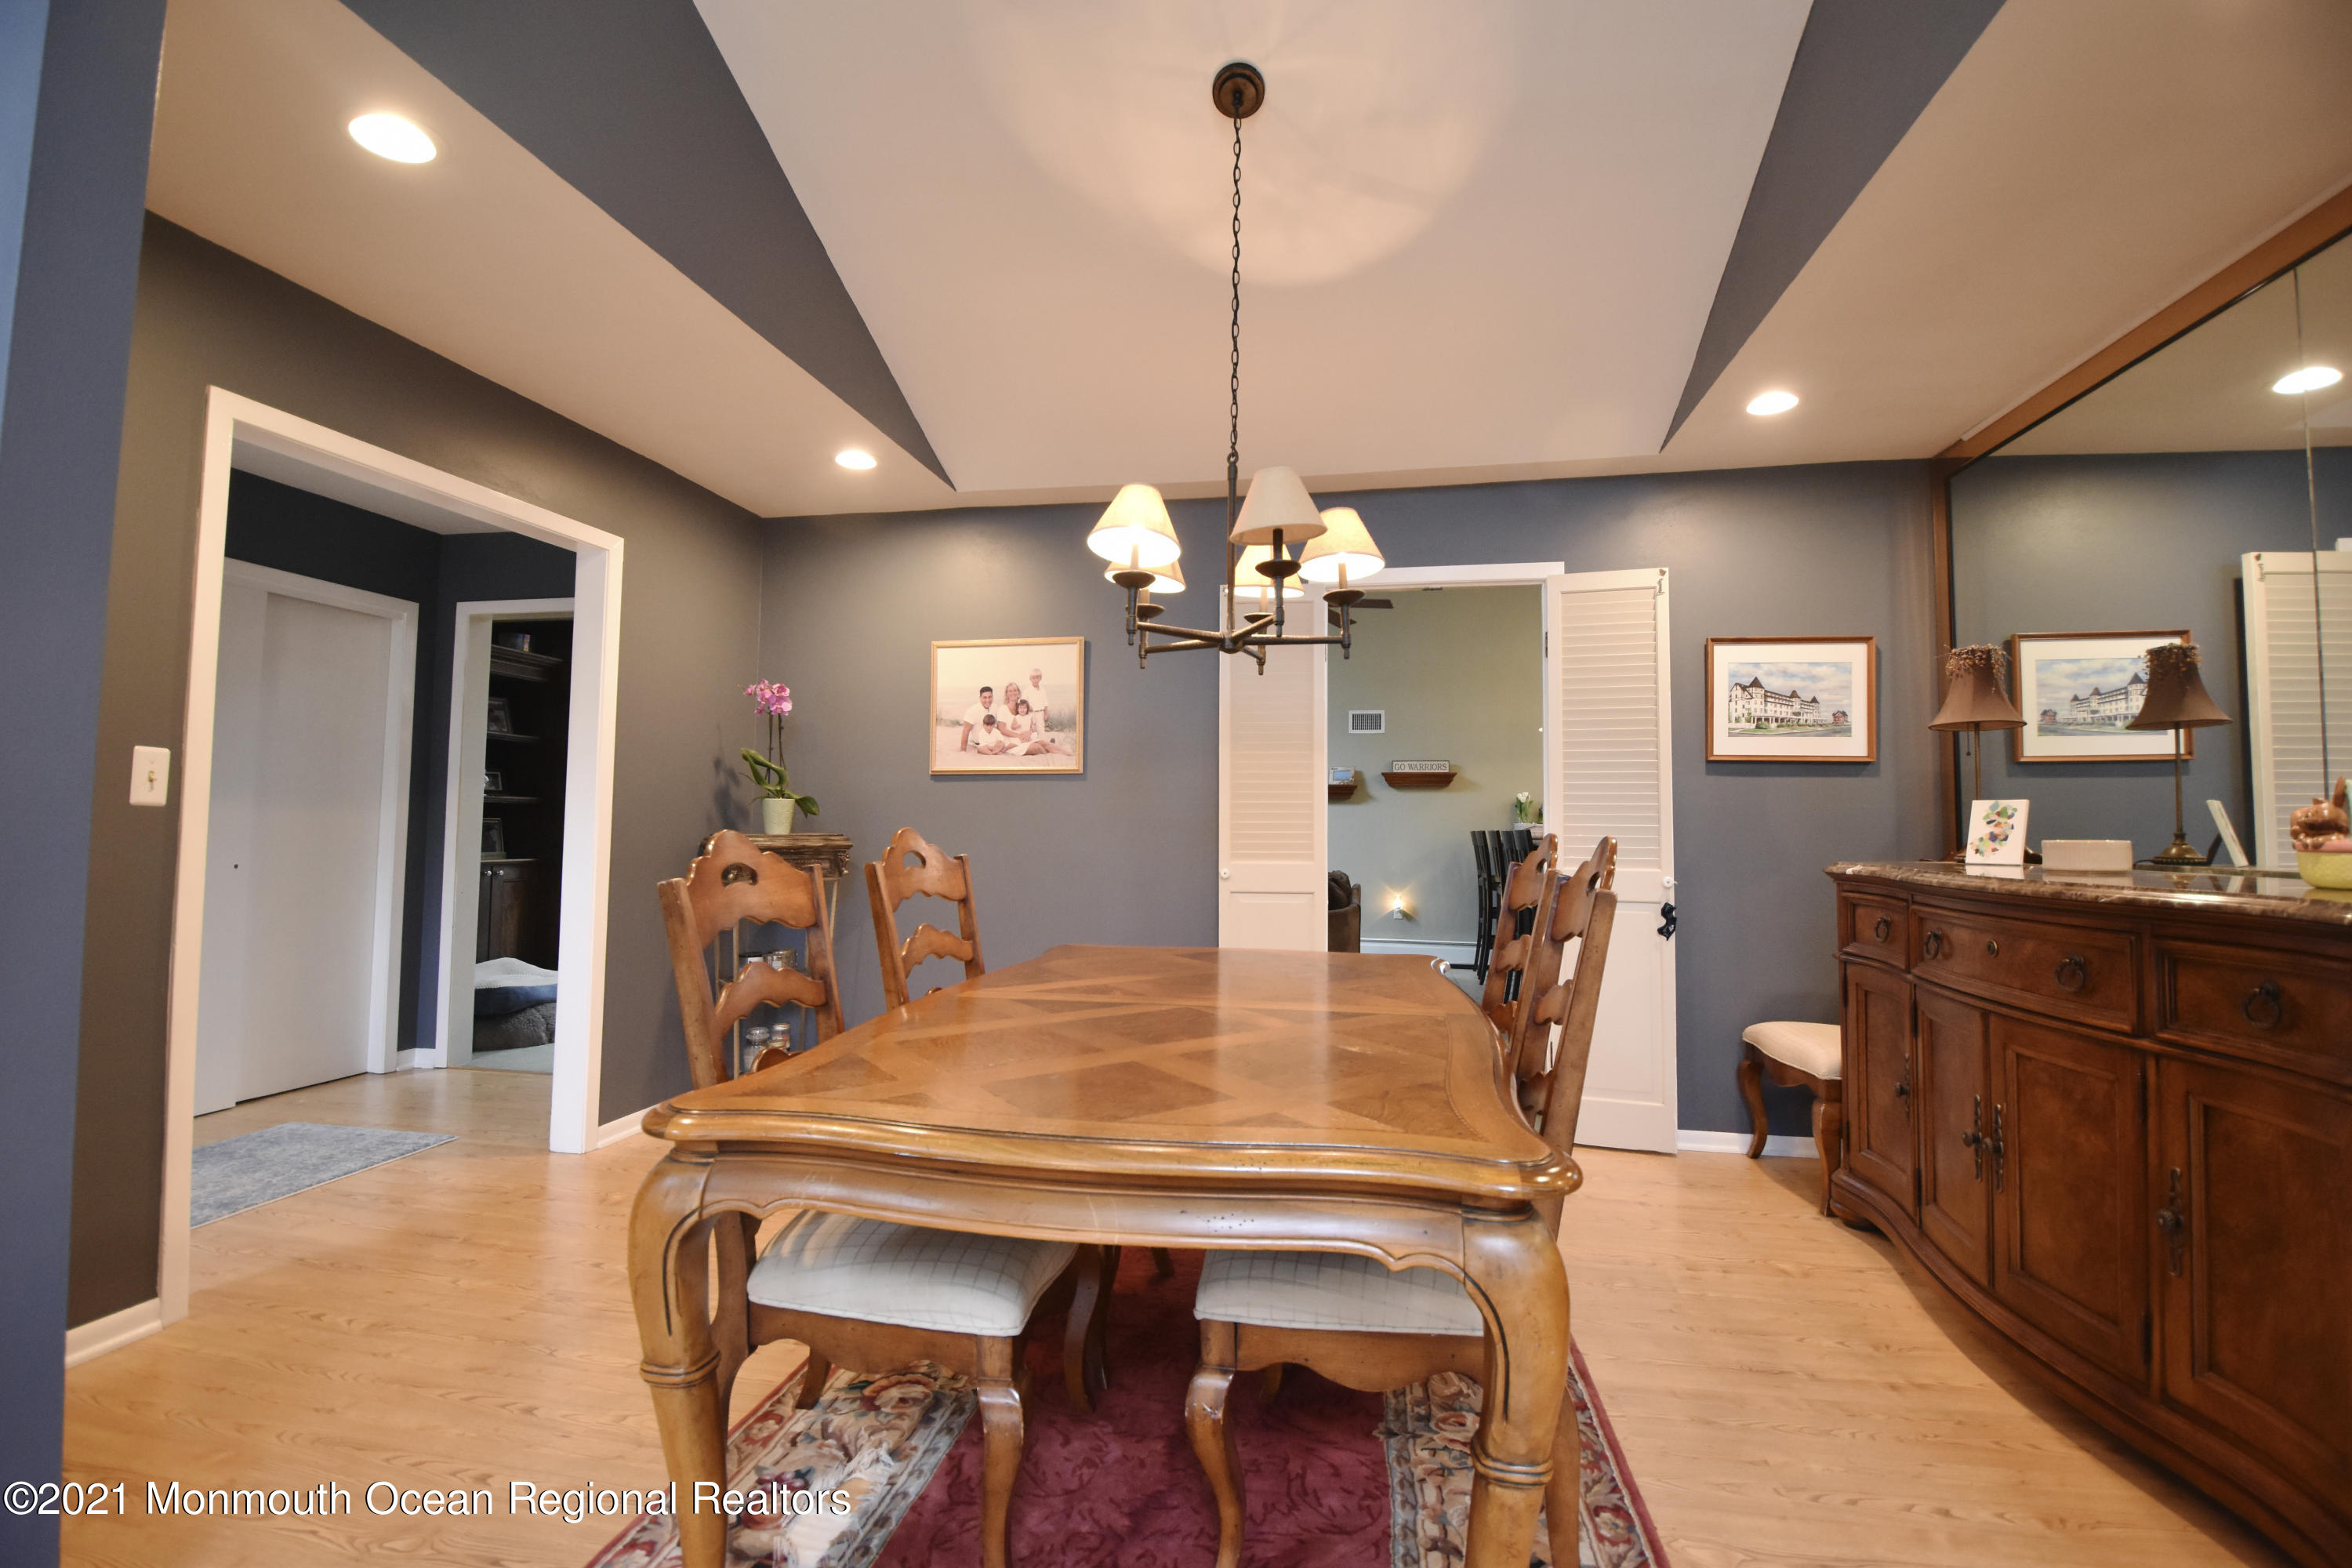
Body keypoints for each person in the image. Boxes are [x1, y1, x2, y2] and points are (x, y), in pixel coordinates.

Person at [956, 686, 998, 753]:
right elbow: (966, 730)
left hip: (992, 743)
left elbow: (996, 726)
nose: (988, 700)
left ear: (993, 697)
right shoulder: (973, 710)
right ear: (980, 698)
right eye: (985, 697)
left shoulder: (995, 707)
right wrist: (963, 751)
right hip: (979, 744)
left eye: (990, 697)